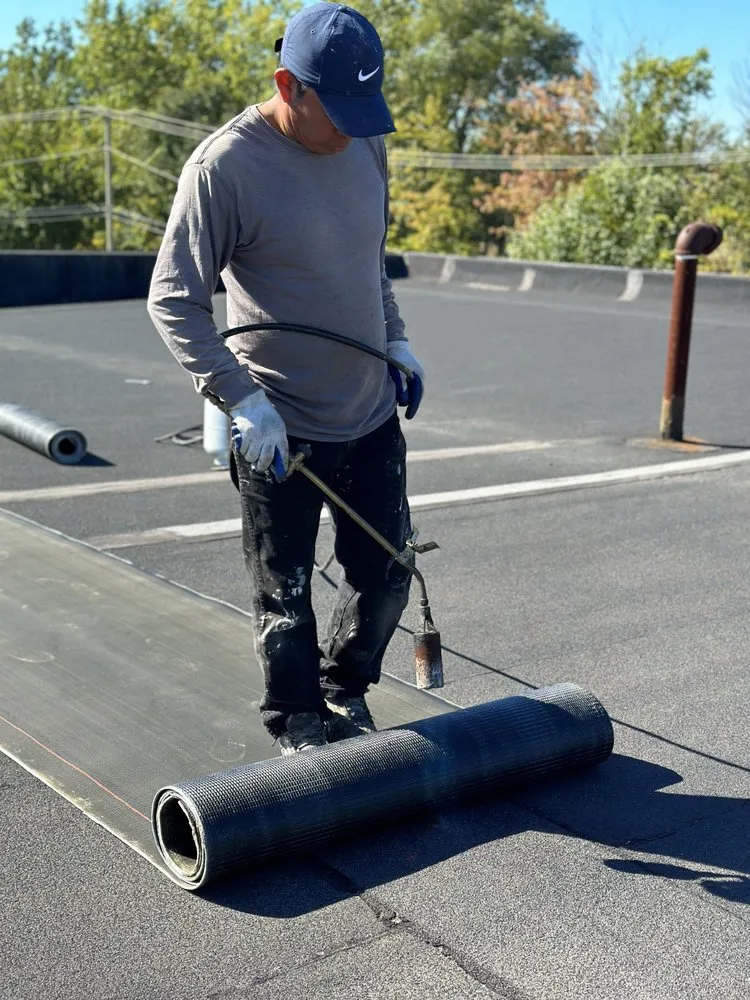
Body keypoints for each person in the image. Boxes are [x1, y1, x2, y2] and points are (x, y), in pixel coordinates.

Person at [147, 2, 424, 756]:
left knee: (387, 573)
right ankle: (298, 723)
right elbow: (172, 298)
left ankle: (345, 690)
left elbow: (369, 258)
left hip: (367, 410)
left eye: (364, 110)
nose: (350, 129)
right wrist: (241, 400)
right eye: (336, 110)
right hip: (281, 428)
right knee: (287, 597)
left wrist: (396, 342)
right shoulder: (224, 167)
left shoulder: (364, 143)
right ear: (287, 85)